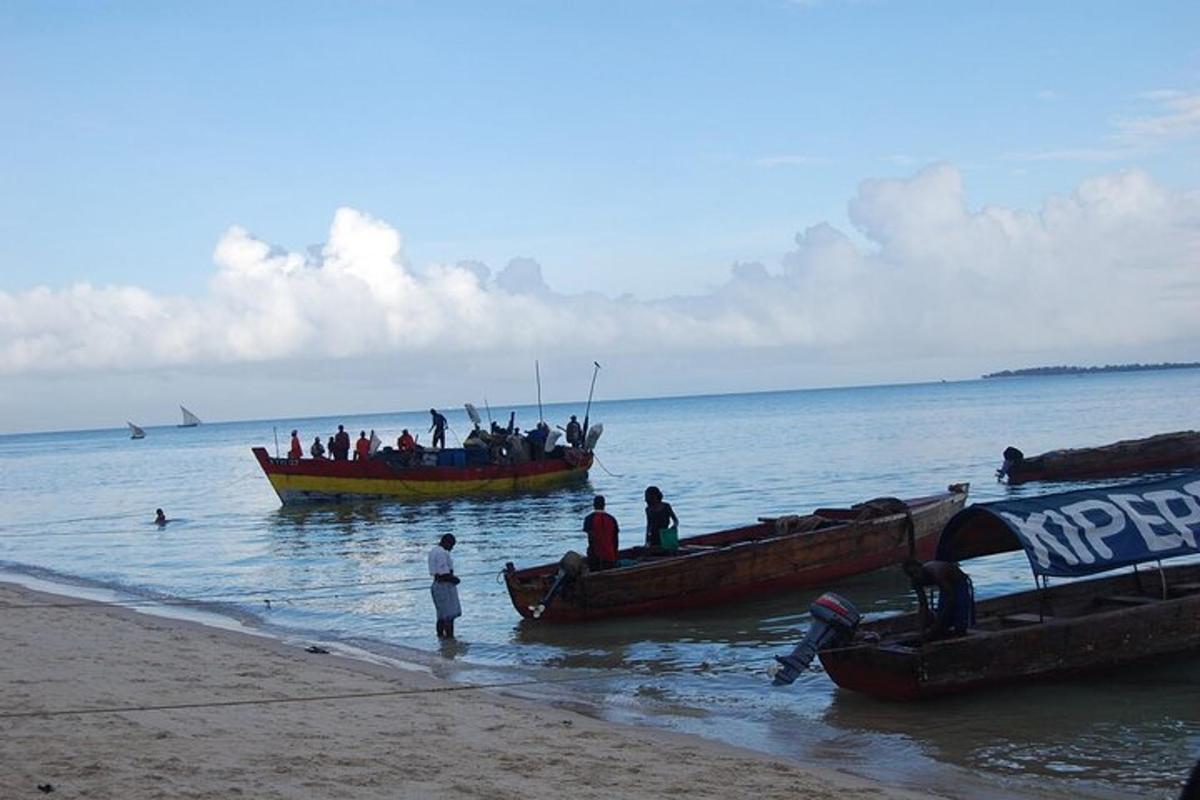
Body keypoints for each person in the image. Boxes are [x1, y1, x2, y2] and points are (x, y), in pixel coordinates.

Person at [902, 558, 975, 641]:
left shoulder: (936, 572)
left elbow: (950, 596)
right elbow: (923, 604)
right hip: (945, 585)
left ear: (921, 568)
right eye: (911, 574)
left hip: (958, 581)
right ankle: (944, 628)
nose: (916, 575)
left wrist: (939, 622)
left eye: (916, 572)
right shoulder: (915, 581)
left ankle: (961, 631)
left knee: (960, 608)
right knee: (943, 617)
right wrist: (922, 628)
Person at [428, 534, 462, 638]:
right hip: (444, 586)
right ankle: (450, 639)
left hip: (436, 585)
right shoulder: (442, 553)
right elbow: (443, 574)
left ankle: (441, 638)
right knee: (449, 616)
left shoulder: (433, 551)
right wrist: (456, 579)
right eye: (451, 545)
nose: (452, 548)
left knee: (441, 615)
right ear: (447, 543)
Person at [583, 495, 620, 570]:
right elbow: (615, 541)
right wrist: (615, 557)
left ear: (593, 505)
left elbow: (591, 540)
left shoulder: (588, 519)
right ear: (604, 505)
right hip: (610, 557)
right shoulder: (612, 519)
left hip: (595, 559)